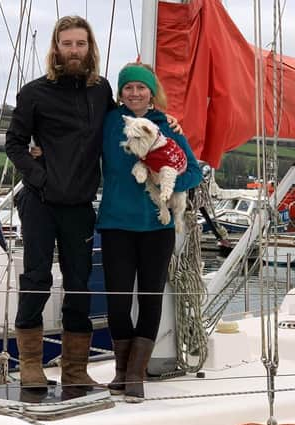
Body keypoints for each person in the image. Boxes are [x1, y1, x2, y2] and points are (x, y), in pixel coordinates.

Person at [5, 15, 114, 391]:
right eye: (66, 44)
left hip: (80, 205)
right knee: (36, 279)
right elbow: (15, 144)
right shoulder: (34, 92)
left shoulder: (102, 91)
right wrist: (40, 178)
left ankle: (74, 370)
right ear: (56, 47)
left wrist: (165, 126)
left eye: (80, 44)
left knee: (79, 285)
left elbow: (120, 130)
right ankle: (31, 366)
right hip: (40, 202)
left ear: (89, 48)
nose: (73, 50)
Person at [96, 63, 202, 402]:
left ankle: (135, 376)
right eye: (128, 88)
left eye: (142, 88)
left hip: (157, 226)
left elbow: (193, 173)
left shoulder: (167, 127)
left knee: (150, 298)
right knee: (117, 301)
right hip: (115, 223)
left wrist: (165, 179)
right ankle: (121, 370)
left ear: (151, 92)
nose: (135, 93)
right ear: (120, 92)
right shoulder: (110, 122)